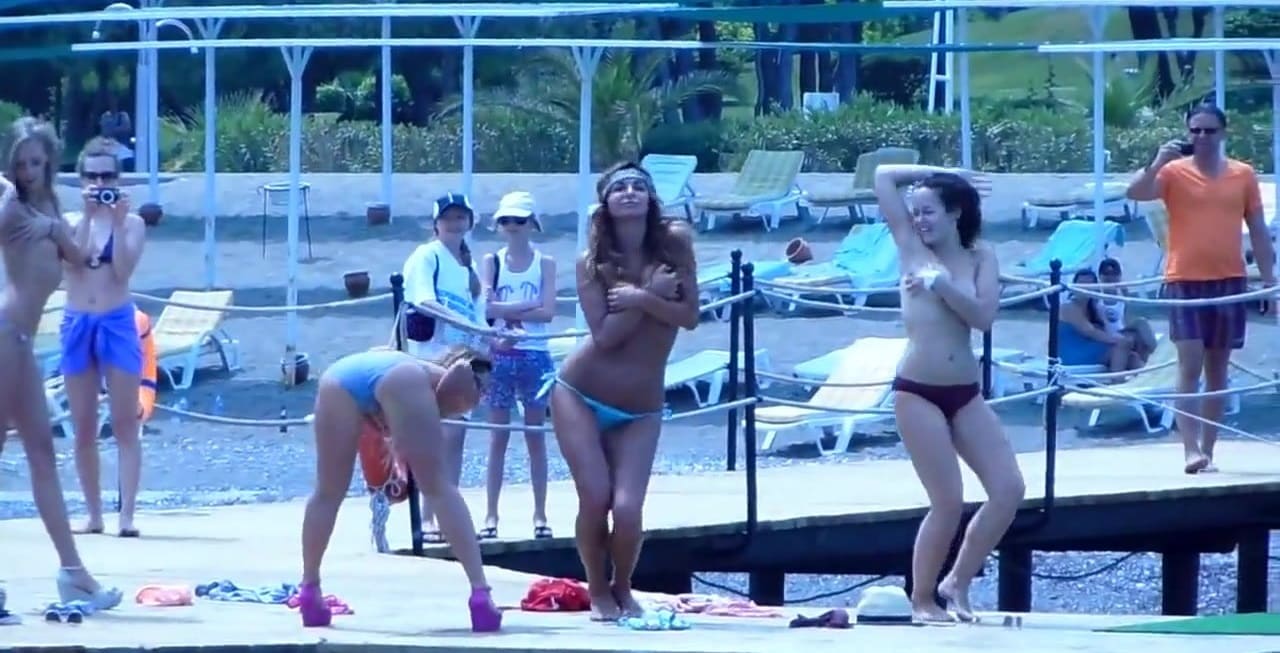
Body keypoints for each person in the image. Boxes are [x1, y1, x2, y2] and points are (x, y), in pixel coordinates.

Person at [871, 163, 1026, 623]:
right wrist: (945, 171)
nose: (919, 220)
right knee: (948, 501)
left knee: (1008, 490)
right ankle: (921, 599)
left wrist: (941, 284)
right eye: (915, 211)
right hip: (917, 391)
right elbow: (882, 176)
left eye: (929, 211)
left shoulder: (981, 257)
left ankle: (956, 582)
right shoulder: (910, 247)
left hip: (965, 392)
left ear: (955, 213)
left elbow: (982, 317)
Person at [548, 162, 699, 621]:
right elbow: (605, 336)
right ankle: (597, 589)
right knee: (595, 496)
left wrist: (641, 298)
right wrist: (648, 293)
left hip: (641, 406)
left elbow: (690, 316)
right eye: (620, 188)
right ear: (606, 203)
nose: (630, 192)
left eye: (638, 186)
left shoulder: (675, 244)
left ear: (651, 198)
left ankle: (623, 587)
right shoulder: (591, 261)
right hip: (580, 392)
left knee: (629, 509)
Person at [0, 117, 122, 611]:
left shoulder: (49, 206)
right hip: (3, 335)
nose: (27, 171)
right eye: (20, 163)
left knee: (43, 454)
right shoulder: (10, 203)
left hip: (21, 341)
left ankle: (74, 572)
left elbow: (80, 258)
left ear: (49, 160)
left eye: (35, 162)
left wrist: (81, 220)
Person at [299, 345, 501, 632]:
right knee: (438, 487)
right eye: (483, 390)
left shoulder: (416, 369)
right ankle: (480, 592)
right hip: (397, 378)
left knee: (327, 493)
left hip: (338, 376)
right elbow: (458, 386)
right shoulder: (437, 379)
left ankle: (309, 589)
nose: (481, 398)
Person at [1124, 103, 1276, 474]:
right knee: (1188, 364)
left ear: (1223, 132)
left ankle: (1208, 447)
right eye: (1196, 130)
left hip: (1230, 280)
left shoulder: (1242, 174)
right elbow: (1136, 192)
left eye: (1209, 130)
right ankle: (1189, 449)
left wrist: (1269, 282)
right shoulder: (1173, 172)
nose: (1202, 137)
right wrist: (1157, 162)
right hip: (1185, 279)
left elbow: (1258, 230)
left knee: (1218, 370)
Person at [61, 136, 148, 537]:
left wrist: (115, 221)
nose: (99, 184)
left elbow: (123, 272)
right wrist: (87, 216)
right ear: (81, 179)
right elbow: (74, 264)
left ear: (119, 178)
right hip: (79, 319)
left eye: (107, 176)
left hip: (116, 319)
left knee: (124, 422)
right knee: (83, 425)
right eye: (92, 176)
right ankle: (93, 513)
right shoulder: (69, 222)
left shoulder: (133, 223)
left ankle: (126, 515)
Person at [401, 192, 483, 543]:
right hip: (430, 357)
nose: (454, 222)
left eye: (460, 216)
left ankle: (448, 517)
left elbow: (479, 313)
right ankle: (427, 519)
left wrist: (493, 337)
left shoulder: (469, 267)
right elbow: (422, 300)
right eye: (448, 217)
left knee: (455, 440)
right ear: (436, 223)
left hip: (464, 358)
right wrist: (468, 325)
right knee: (434, 440)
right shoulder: (427, 255)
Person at [478, 191, 555, 540]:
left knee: (535, 436)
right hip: (499, 354)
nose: (512, 226)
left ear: (532, 224)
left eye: (519, 220)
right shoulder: (491, 261)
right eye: (506, 220)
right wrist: (528, 305)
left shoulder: (545, 262)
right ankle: (491, 515)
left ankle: (540, 514)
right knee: (498, 438)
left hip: (535, 353)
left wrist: (506, 309)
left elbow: (548, 312)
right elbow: (487, 308)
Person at [1059, 269, 1143, 373]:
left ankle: (1148, 377)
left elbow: (1105, 329)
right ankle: (1117, 379)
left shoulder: (1092, 308)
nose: (1085, 288)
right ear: (1073, 286)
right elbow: (1091, 332)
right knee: (1122, 345)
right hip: (1073, 354)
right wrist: (1119, 340)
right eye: (1081, 284)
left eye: (1089, 285)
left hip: (1088, 348)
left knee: (1132, 356)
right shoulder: (1068, 307)